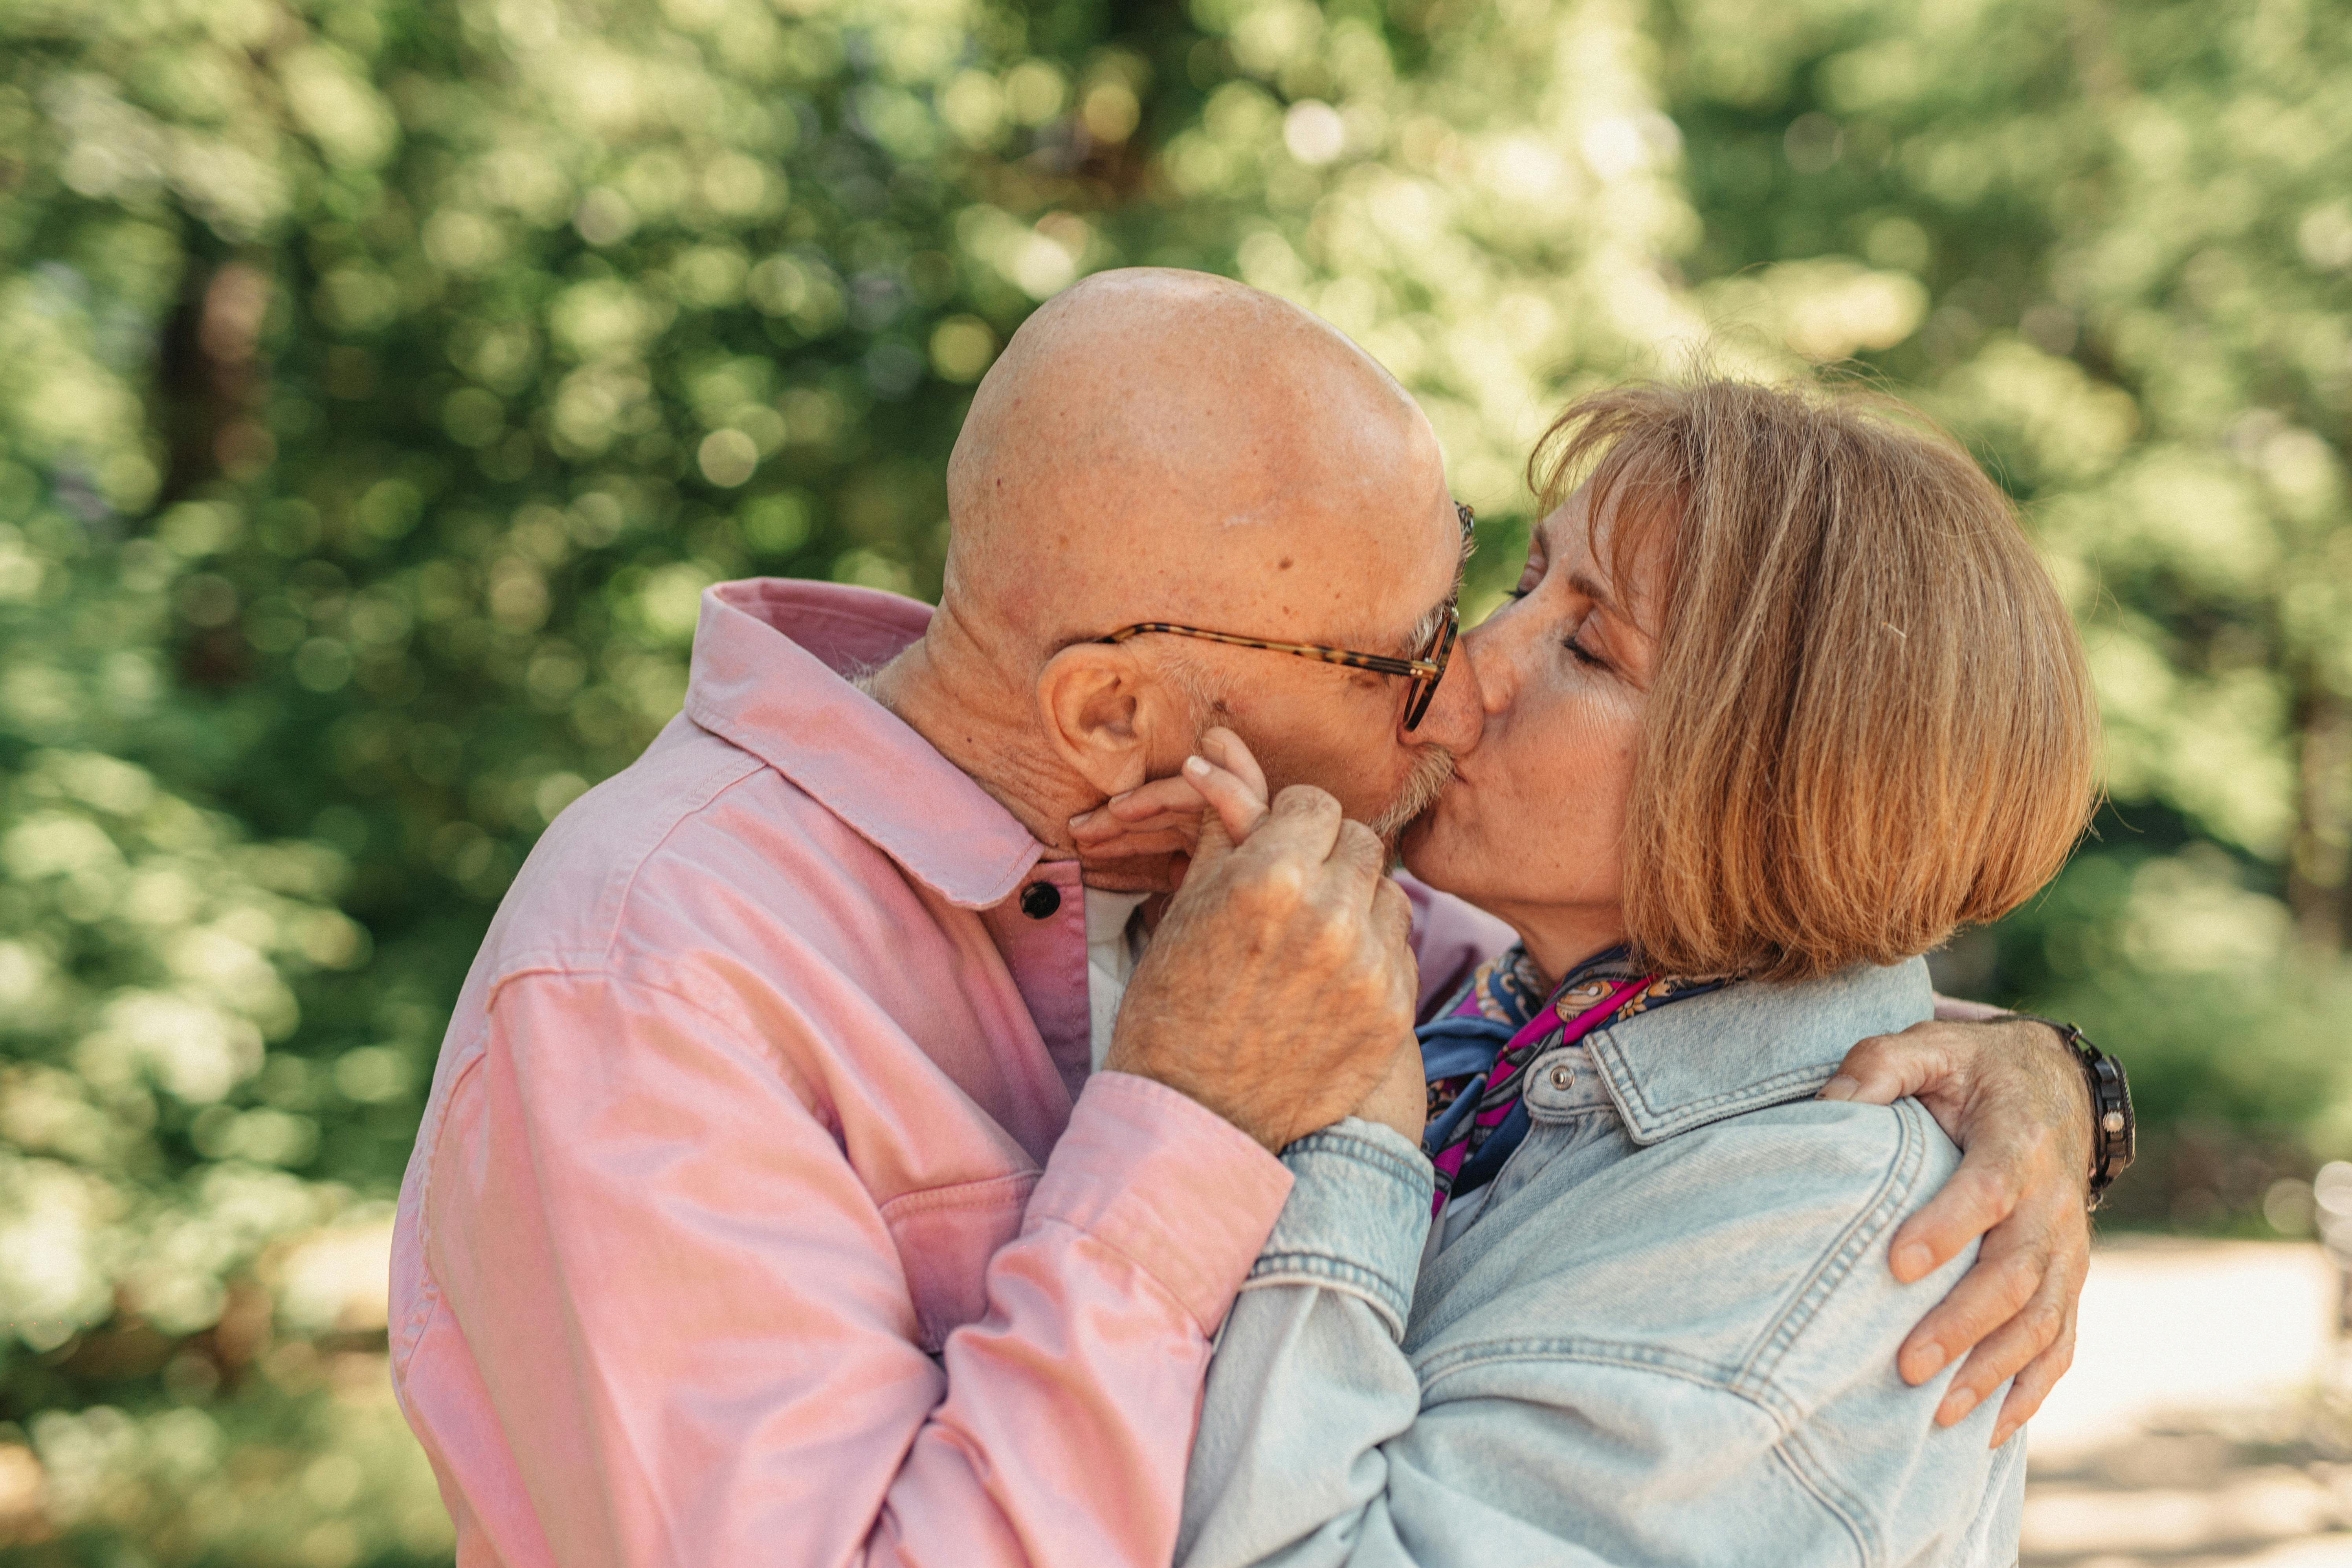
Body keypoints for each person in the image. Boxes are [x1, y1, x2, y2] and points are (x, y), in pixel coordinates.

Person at [389, 272, 2102, 1568]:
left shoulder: (1387, 954)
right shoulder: (654, 980)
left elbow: (1750, 1035)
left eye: (1537, 622)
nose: (1462, 695)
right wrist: (1190, 1119)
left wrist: (2042, 1077)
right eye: (1431, 638)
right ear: (1115, 716)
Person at [1167, 379, 2101, 1568]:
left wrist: (1348, 1125)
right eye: (1518, 587)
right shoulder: (1495, 1028)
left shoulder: (1812, 1223)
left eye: (1587, 646)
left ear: (1784, 789)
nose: (1462, 671)